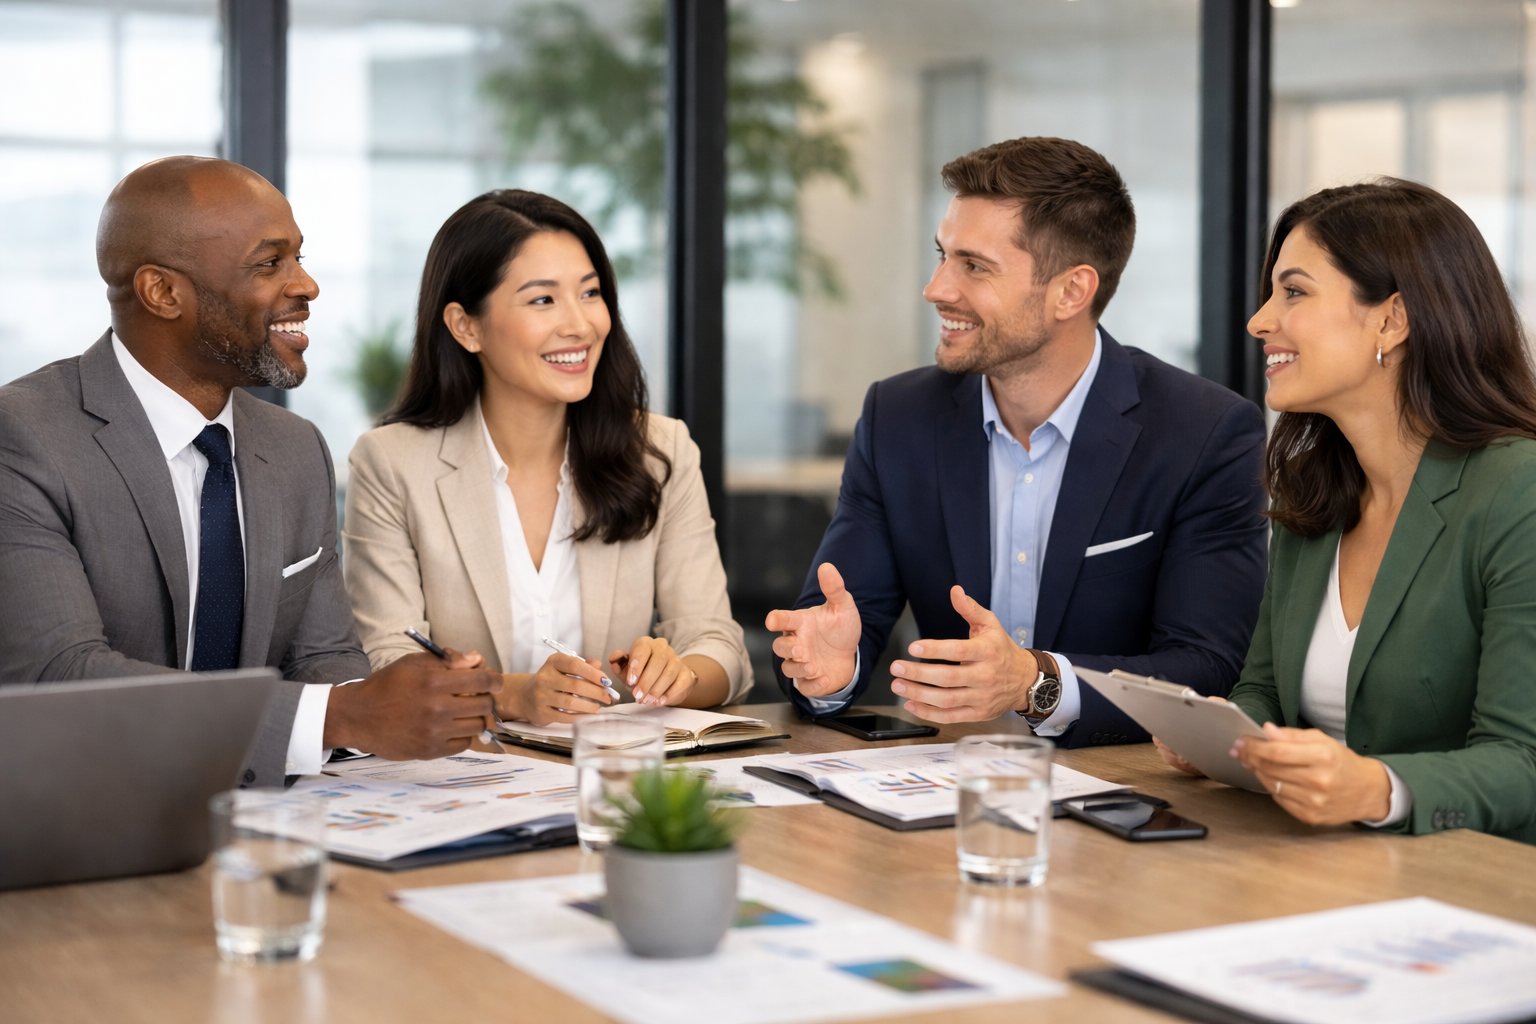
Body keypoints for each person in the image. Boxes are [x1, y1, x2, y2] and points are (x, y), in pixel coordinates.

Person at [0, 157, 504, 786]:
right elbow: (60, 678)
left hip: (268, 818)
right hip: (83, 816)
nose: (307, 285)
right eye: (271, 263)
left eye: (299, 257)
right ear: (163, 292)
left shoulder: (295, 449)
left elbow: (322, 660)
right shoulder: (23, 437)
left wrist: (410, 698)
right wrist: (341, 716)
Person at [767, 137, 1269, 747]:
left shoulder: (1204, 433)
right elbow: (831, 624)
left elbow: (1208, 668)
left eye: (973, 266)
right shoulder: (896, 418)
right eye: (942, 256)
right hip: (943, 787)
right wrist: (829, 670)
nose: (936, 288)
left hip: (1127, 792)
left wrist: (1036, 683)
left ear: (1071, 292)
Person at [1157, 179, 1536, 842]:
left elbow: (1523, 761)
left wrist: (1379, 789)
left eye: (1294, 292)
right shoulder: (1318, 490)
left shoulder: (1517, 492)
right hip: (1316, 865)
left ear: (1391, 319)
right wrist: (1223, 736)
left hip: (1474, 888)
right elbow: (1266, 694)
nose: (1259, 321)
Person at [342, 190, 752, 725]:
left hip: (615, 773)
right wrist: (513, 695)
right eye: (543, 300)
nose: (580, 325)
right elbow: (387, 662)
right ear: (466, 326)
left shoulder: (661, 451)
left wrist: (680, 676)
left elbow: (721, 647)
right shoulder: (391, 463)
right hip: (460, 783)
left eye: (590, 293)